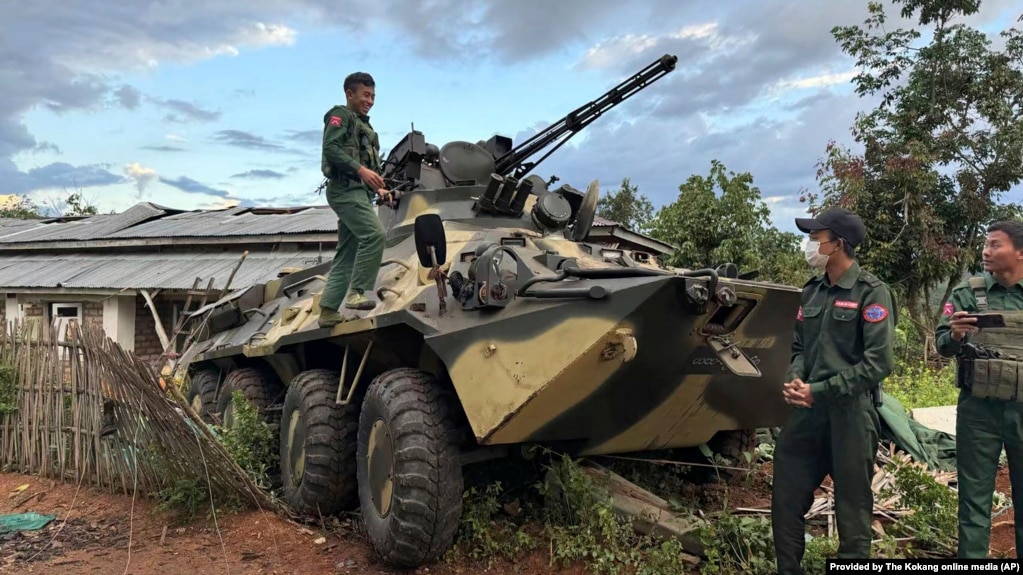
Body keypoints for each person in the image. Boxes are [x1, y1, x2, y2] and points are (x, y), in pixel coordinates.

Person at [771, 206, 896, 574]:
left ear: (838, 244)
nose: (809, 244)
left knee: (853, 508)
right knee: (786, 499)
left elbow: (878, 364)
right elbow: (799, 348)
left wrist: (819, 390)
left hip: (851, 415)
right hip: (806, 414)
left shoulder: (872, 293)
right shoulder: (811, 292)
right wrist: (797, 379)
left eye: (816, 237)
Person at [936, 220, 1023, 558]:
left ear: (1019, 252)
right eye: (985, 244)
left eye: (995, 244)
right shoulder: (968, 292)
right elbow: (943, 346)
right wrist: (955, 335)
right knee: (973, 502)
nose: (986, 251)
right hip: (978, 412)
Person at [318, 71, 390, 328]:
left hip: (359, 192)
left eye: (373, 96)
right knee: (374, 236)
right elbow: (331, 149)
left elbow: (368, 164)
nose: (369, 100)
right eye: (365, 95)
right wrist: (361, 171)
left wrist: (380, 188)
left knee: (347, 254)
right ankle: (357, 293)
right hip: (344, 189)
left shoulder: (365, 127)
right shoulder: (340, 116)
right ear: (350, 94)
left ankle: (327, 311)